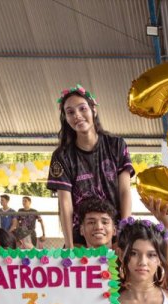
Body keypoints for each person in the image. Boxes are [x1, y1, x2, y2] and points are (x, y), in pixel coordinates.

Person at [47, 84, 134, 246]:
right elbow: (64, 203)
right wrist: (70, 245)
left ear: (94, 110)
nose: (77, 116)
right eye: (70, 112)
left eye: (82, 109)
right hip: (81, 236)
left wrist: (123, 235)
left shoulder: (116, 145)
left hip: (113, 232)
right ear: (65, 118)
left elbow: (124, 191)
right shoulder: (62, 156)